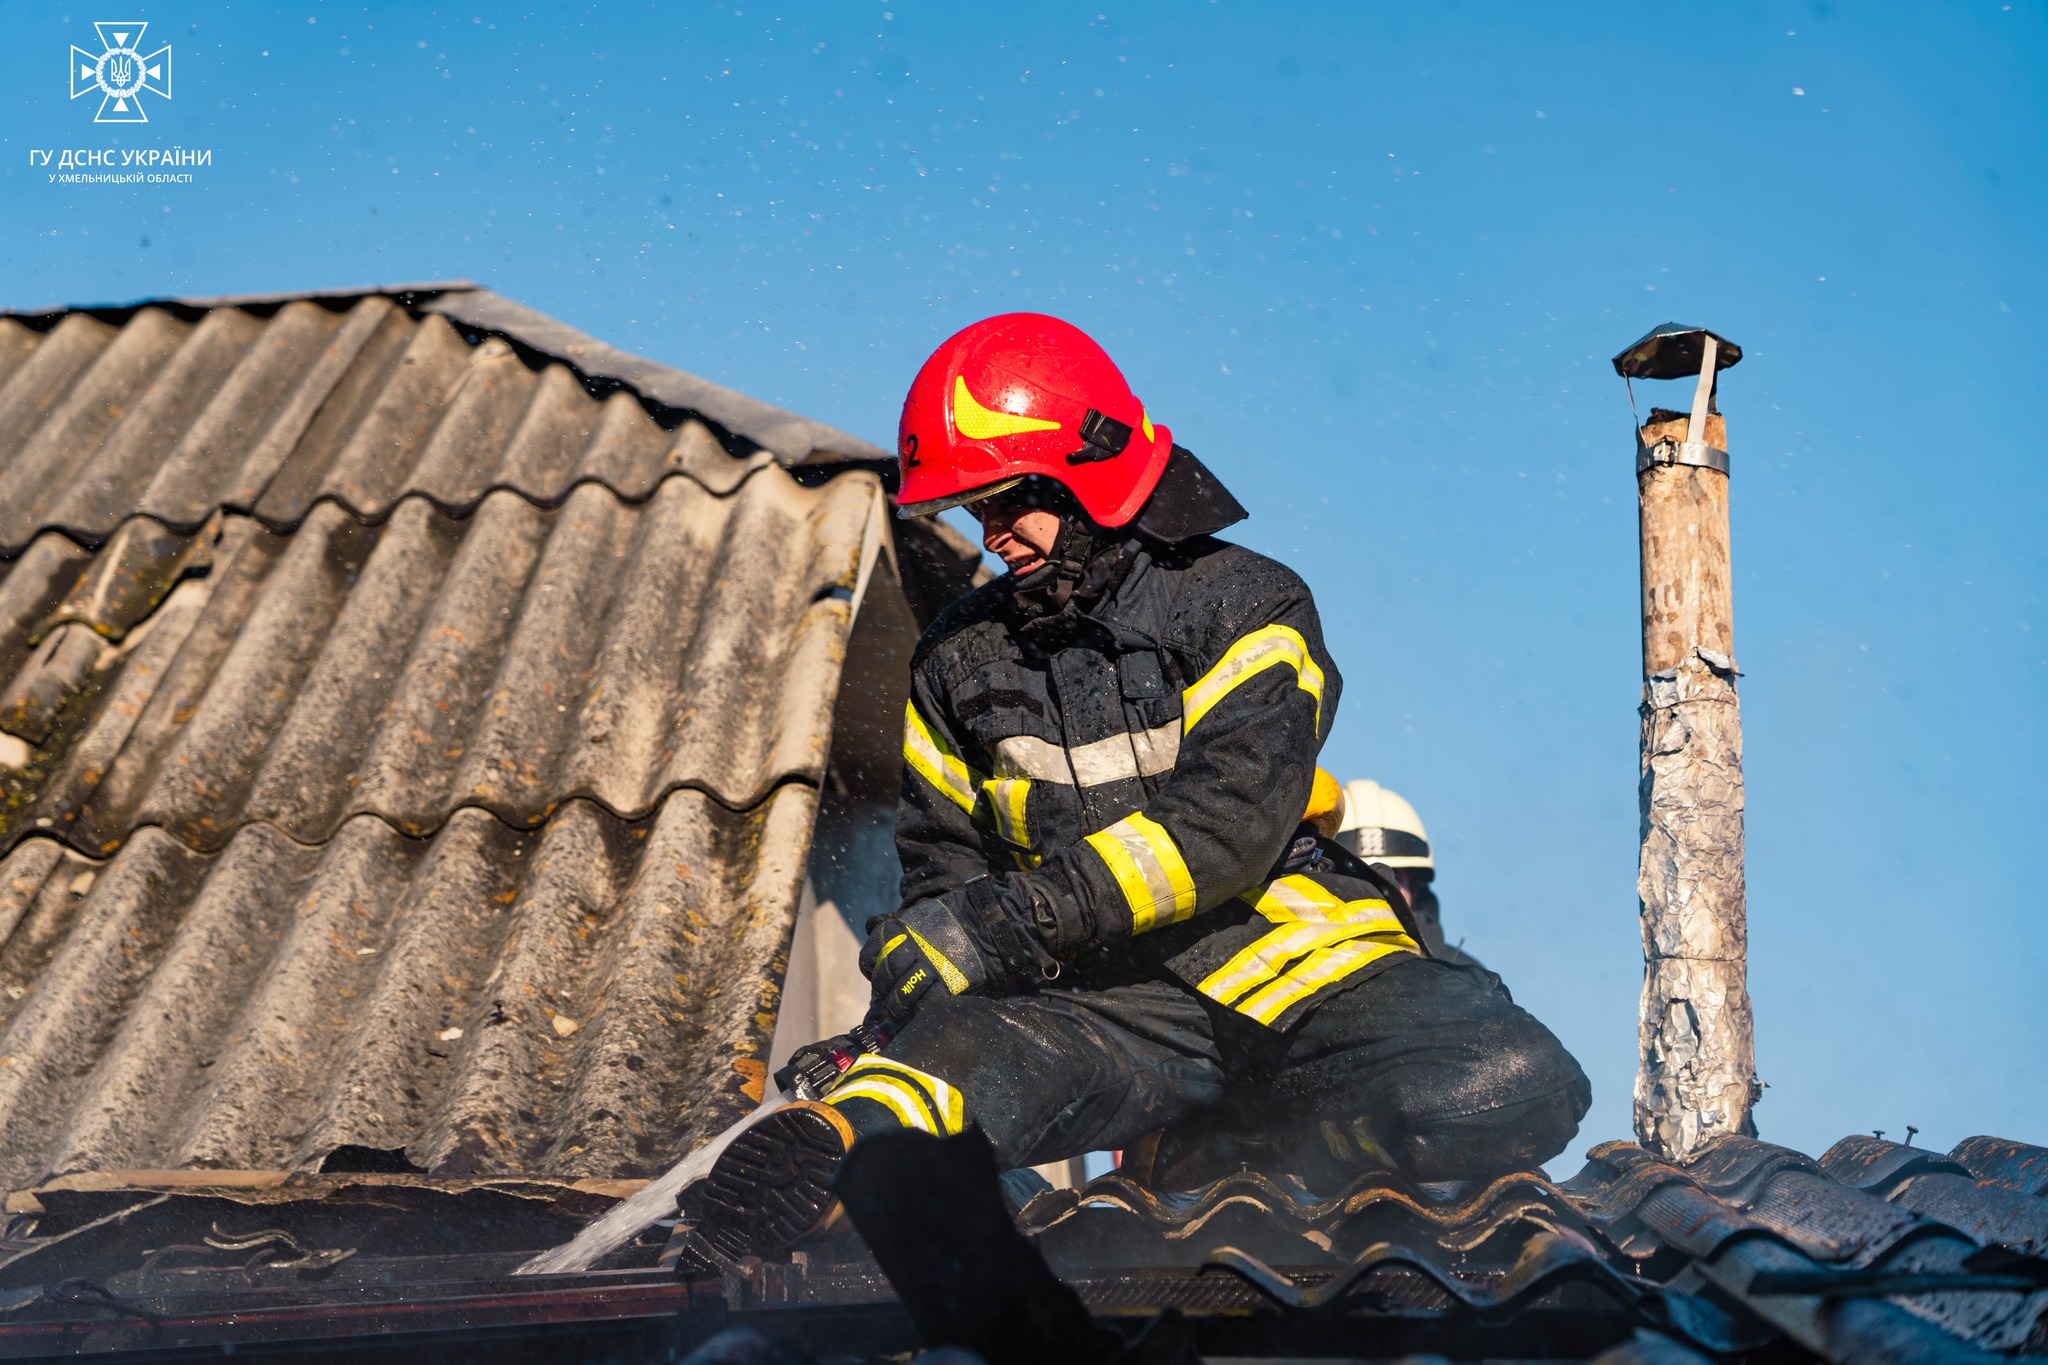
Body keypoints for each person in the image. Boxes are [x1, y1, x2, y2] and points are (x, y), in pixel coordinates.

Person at [697, 314, 1588, 1258]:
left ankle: (1245, 1142)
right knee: (940, 1077)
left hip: (1298, 964)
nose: (993, 535)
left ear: (1088, 468)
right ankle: (835, 1159)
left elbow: (1225, 826)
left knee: (1509, 1086)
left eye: (1008, 501)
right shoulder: (953, 661)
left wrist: (1001, 926)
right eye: (977, 510)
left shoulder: (1246, 602)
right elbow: (942, 870)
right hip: (1100, 1009)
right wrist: (909, 993)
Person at [1335, 779, 1479, 966]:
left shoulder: (1467, 982)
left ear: (1415, 887)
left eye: (1395, 877)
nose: (1378, 893)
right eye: (1356, 878)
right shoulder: (1289, 968)